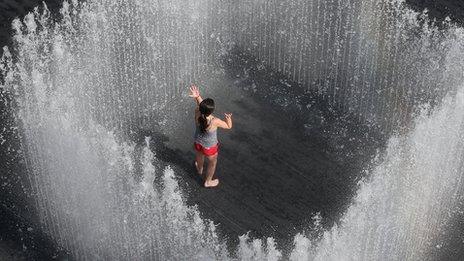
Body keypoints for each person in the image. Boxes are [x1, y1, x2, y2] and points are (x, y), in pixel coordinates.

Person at [189, 84, 233, 188]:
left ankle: (199, 169)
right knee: (212, 163)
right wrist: (228, 118)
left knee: (199, 155)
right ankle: (208, 181)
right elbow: (228, 126)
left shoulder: (197, 113)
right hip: (210, 147)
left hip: (198, 142)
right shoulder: (215, 121)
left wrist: (197, 97)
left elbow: (200, 106)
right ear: (212, 111)